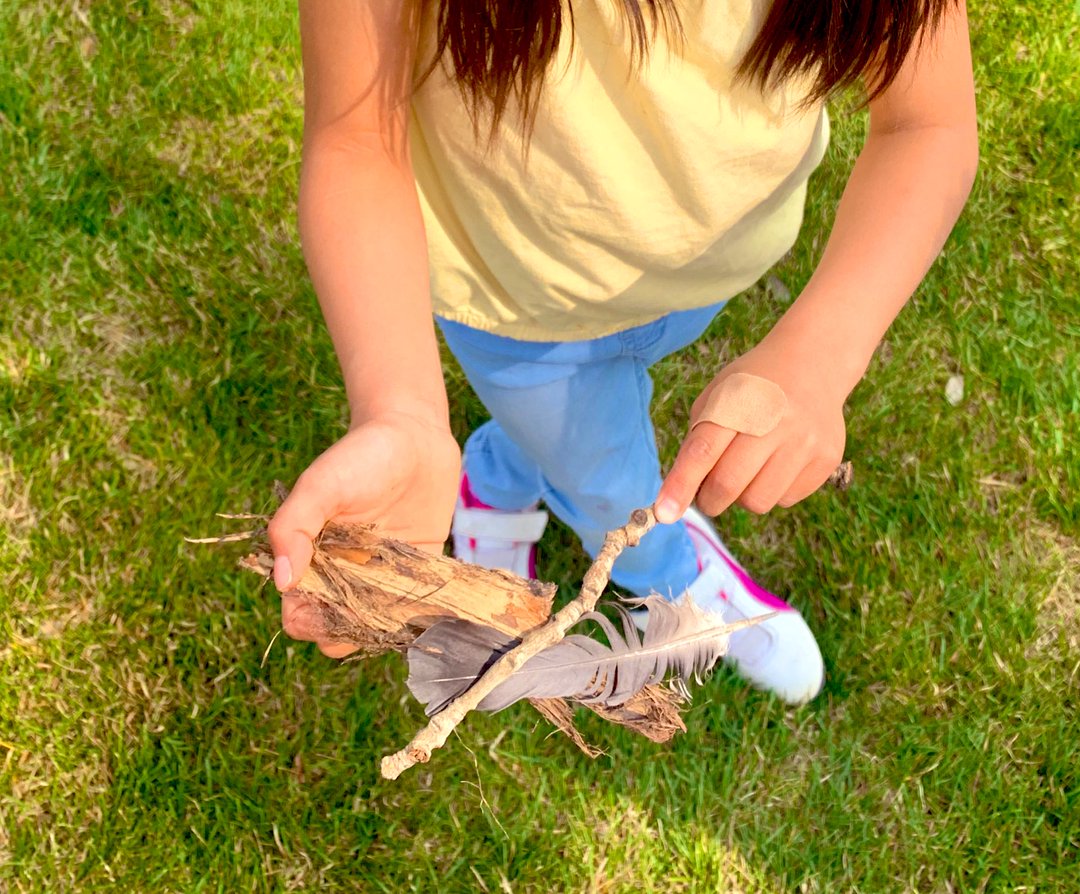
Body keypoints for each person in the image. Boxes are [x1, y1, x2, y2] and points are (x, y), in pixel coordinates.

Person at [267, 0, 978, 704]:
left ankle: (498, 474)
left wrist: (823, 352)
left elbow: (929, 122)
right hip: (517, 311)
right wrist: (402, 410)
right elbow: (358, 134)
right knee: (611, 489)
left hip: (705, 281)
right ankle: (672, 576)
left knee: (562, 436)